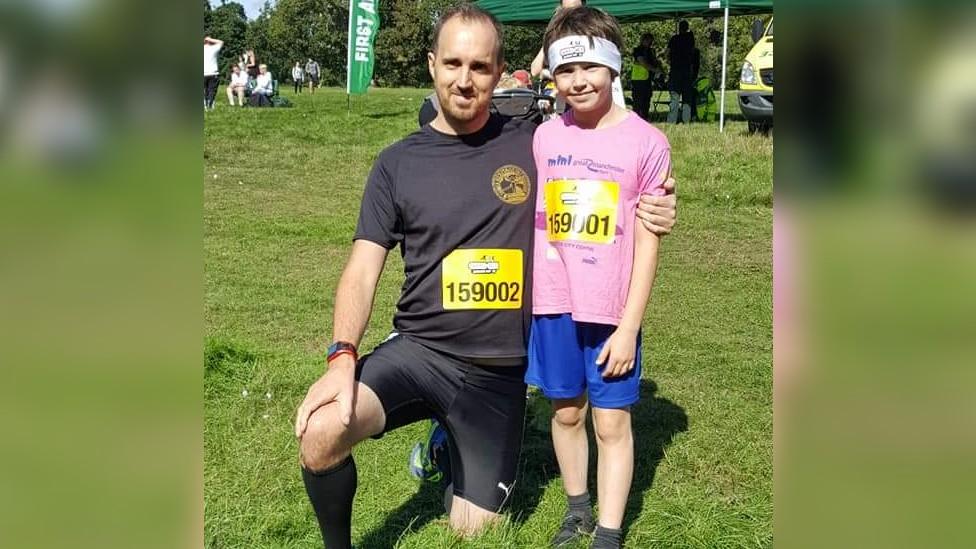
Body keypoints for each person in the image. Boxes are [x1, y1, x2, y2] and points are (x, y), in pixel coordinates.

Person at [294, 6, 678, 549]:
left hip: (499, 374)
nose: (464, 79)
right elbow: (362, 265)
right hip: (420, 350)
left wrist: (659, 206)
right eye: (452, 62)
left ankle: (448, 446)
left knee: (475, 531)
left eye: (479, 66)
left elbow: (609, 163)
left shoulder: (537, 141)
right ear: (431, 65)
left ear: (500, 74)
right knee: (321, 431)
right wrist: (341, 356)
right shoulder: (395, 163)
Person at [527, 7, 671, 548]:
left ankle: (608, 533)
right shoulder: (543, 138)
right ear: (552, 77)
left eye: (590, 66)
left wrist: (630, 327)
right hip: (553, 302)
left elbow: (648, 239)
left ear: (613, 68)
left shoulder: (647, 142)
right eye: (565, 71)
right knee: (565, 413)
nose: (578, 81)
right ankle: (577, 510)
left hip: (612, 311)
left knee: (611, 424)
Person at [667, 20, 696, 124]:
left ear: (679, 28)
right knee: (687, 98)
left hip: (675, 70)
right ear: (687, 27)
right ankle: (686, 120)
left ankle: (672, 120)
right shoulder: (690, 38)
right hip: (686, 70)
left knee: (674, 97)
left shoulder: (674, 39)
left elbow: (668, 54)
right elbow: (693, 52)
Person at [630, 33, 661, 121]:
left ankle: (645, 117)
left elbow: (654, 62)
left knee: (646, 99)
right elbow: (643, 62)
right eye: (648, 41)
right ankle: (636, 118)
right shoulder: (638, 50)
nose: (650, 43)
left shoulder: (650, 51)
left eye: (651, 41)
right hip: (638, 79)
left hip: (647, 79)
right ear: (643, 40)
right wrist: (654, 70)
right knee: (638, 100)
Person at [203, 36, 223, 111]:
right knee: (212, 90)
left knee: (204, 90)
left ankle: (205, 105)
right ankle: (210, 105)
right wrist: (210, 39)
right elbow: (221, 42)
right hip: (213, 73)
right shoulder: (213, 48)